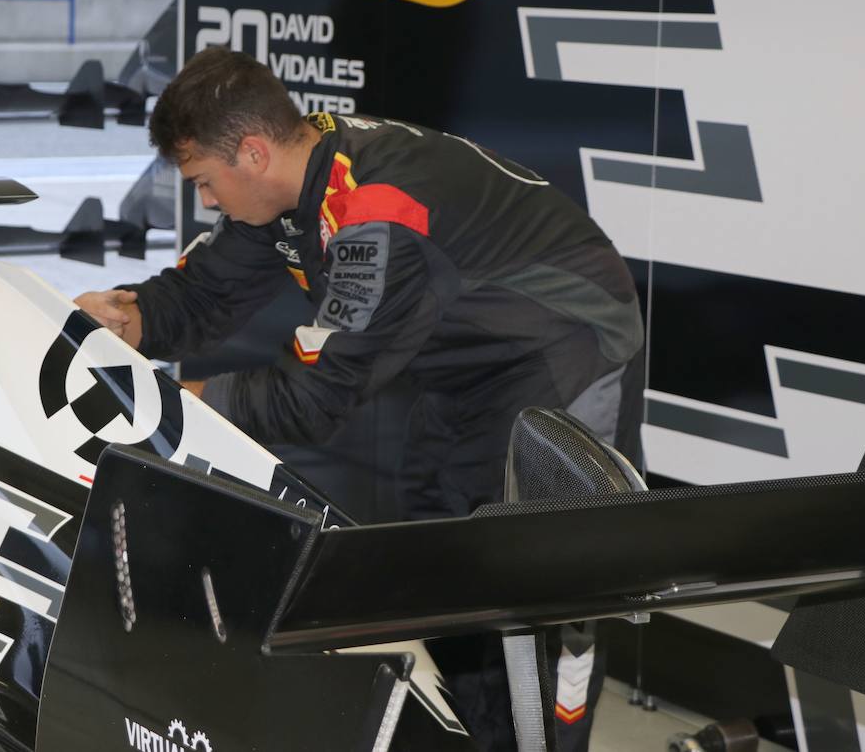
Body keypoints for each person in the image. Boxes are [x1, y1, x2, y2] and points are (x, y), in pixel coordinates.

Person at [75, 46, 644, 749]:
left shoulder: (374, 216)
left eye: (204, 182)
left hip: (566, 347)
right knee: (449, 554)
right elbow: (208, 287)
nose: (208, 202)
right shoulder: (298, 170)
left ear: (251, 152)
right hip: (468, 361)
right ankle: (482, 737)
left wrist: (173, 400)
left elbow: (317, 396)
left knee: (547, 583)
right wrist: (131, 318)